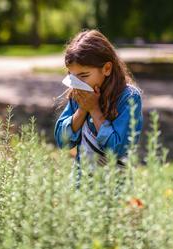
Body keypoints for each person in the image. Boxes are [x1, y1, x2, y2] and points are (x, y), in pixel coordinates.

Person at [54, 29, 143, 188]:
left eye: (84, 75)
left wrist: (94, 110)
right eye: (72, 76)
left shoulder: (129, 98)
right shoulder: (78, 95)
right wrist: (82, 109)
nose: (77, 83)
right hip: (81, 186)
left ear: (107, 69)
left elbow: (118, 149)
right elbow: (63, 141)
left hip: (115, 189)